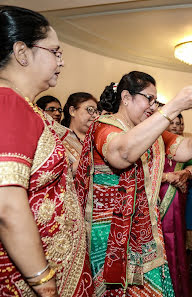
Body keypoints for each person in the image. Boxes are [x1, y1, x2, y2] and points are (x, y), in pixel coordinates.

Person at [75, 70, 192, 296]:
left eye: (155, 100)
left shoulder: (152, 133)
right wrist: (173, 107)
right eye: (148, 98)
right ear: (126, 97)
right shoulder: (104, 127)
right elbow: (122, 153)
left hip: (145, 235)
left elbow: (189, 148)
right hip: (108, 238)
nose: (152, 105)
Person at [0, 5, 93, 296]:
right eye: (55, 52)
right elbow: (6, 203)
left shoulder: (28, 109)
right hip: (30, 278)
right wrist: (44, 282)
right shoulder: (9, 104)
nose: (61, 62)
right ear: (22, 52)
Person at [159, 113, 192, 297]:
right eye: (171, 123)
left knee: (177, 240)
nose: (175, 126)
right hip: (157, 198)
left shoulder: (183, 145)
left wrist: (186, 174)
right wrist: (169, 178)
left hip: (177, 197)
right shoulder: (155, 142)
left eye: (178, 123)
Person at [60, 92, 98, 174]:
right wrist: (84, 163)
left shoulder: (97, 139)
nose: (95, 115)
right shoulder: (59, 140)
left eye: (96, 111)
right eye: (90, 110)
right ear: (72, 111)